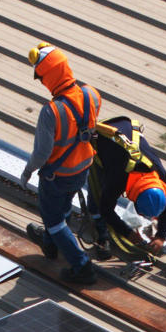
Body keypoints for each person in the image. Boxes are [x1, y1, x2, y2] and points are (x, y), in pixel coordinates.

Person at [22, 43, 102, 286]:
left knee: (53, 218)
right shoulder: (91, 94)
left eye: (42, 77)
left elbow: (42, 152)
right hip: (82, 167)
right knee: (64, 207)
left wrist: (28, 171)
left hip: (57, 175)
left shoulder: (51, 111)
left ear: (50, 76)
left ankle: (81, 266)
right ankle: (50, 243)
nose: (41, 82)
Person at [90, 115, 166, 260]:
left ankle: (160, 211)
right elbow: (106, 209)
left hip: (126, 129)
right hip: (101, 138)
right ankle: (102, 236)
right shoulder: (117, 179)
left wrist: (161, 236)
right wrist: (127, 233)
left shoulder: (161, 175)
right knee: (97, 196)